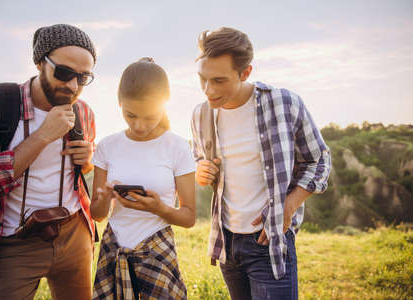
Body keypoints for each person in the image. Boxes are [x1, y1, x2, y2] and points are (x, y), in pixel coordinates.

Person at [191, 27, 331, 300]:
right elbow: (201, 161)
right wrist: (202, 172)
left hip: (269, 242)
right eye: (202, 79)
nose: (208, 90)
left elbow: (319, 161)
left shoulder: (285, 104)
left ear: (245, 73)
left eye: (219, 80)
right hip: (227, 243)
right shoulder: (200, 114)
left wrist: (289, 205)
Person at [0, 24, 97, 299]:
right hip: (11, 243)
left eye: (83, 79)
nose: (73, 86)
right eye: (64, 73)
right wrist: (42, 136)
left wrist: (86, 162)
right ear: (39, 62)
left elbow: (80, 171)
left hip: (74, 235)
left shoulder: (83, 112)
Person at [91, 57, 195, 299]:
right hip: (113, 248)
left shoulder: (177, 147)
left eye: (149, 117)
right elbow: (97, 214)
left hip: (156, 250)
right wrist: (105, 198)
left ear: (165, 105)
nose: (139, 125)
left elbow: (189, 217)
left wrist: (159, 208)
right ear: (119, 104)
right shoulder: (108, 146)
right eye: (130, 115)